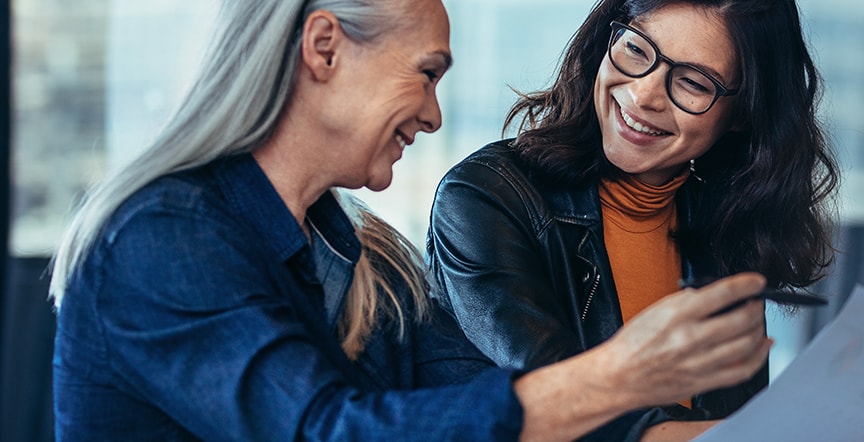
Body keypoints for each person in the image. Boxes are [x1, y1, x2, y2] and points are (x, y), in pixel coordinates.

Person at [48, 1, 773, 440]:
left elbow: (470, 404)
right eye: (426, 74)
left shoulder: (367, 261)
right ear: (324, 48)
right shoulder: (159, 238)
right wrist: (619, 373)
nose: (431, 114)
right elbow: (323, 431)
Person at [426, 0, 864, 440]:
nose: (644, 94)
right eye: (636, 49)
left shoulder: (724, 229)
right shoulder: (488, 196)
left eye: (692, 82)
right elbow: (570, 414)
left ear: (740, 117)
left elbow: (743, 429)